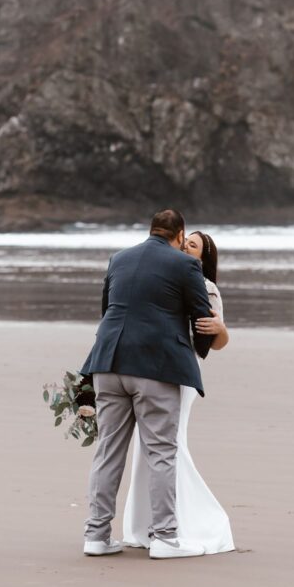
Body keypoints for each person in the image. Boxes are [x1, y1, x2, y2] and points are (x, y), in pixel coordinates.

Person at [79, 209, 214, 559]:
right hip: (155, 366)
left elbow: (108, 310)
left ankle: (96, 535)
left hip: (108, 363)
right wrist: (199, 354)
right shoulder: (186, 266)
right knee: (161, 453)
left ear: (151, 229)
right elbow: (202, 320)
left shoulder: (119, 258)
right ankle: (166, 538)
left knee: (108, 451)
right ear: (180, 234)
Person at [122, 230, 235, 555]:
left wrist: (222, 330)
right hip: (151, 369)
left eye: (193, 246)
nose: (185, 248)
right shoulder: (165, 280)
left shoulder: (207, 288)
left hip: (180, 371)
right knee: (148, 448)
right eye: (184, 243)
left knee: (168, 446)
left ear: (203, 258)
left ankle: (190, 522)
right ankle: (145, 525)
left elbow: (216, 341)